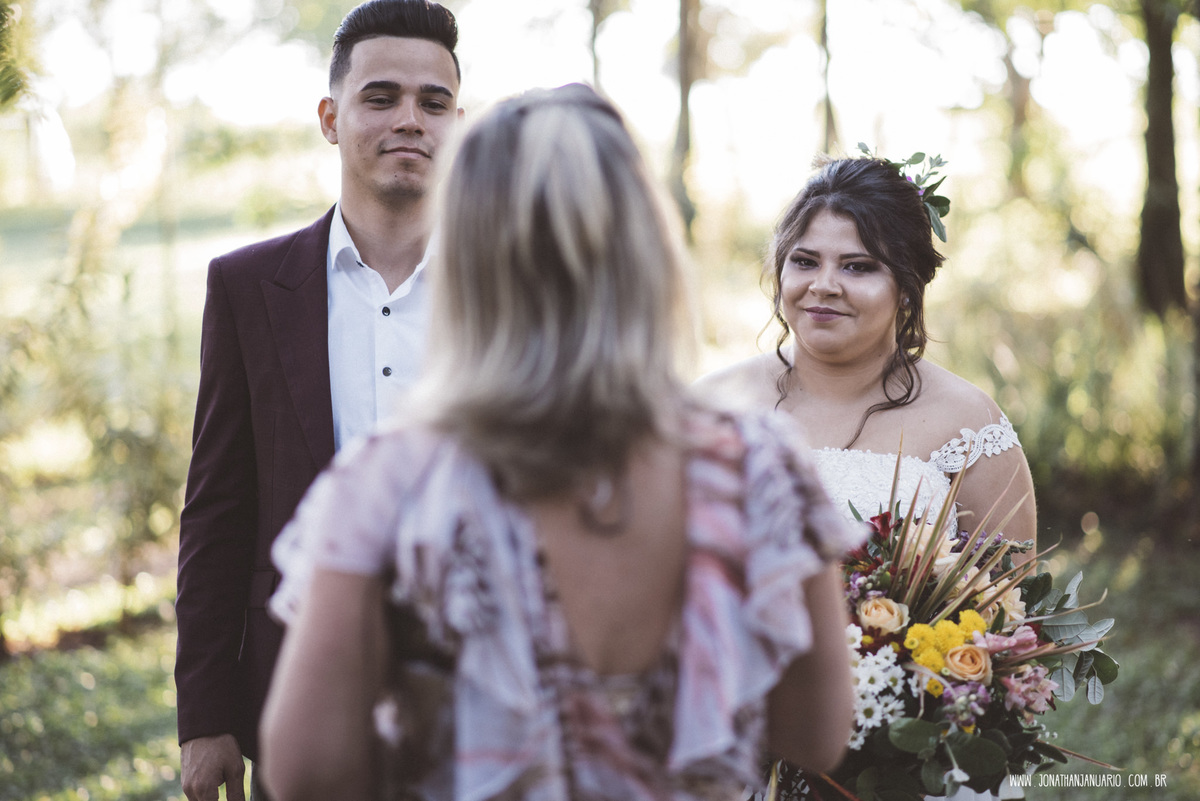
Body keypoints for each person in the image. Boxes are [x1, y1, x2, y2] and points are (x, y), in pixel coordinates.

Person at [258, 84, 862, 801]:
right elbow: (816, 733)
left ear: (466, 254)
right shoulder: (759, 463)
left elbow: (305, 773)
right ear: (646, 248)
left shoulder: (392, 477)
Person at [174, 2, 463, 799]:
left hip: (479, 718)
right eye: (382, 97)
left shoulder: (508, 296)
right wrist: (205, 716)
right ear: (332, 118)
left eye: (432, 102)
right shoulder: (246, 288)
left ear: (457, 123)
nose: (410, 119)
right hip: (300, 712)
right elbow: (218, 512)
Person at [696, 155, 1037, 549]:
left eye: (857, 267)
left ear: (908, 286)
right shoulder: (710, 404)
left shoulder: (970, 427)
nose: (824, 285)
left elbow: (1012, 604)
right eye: (805, 262)